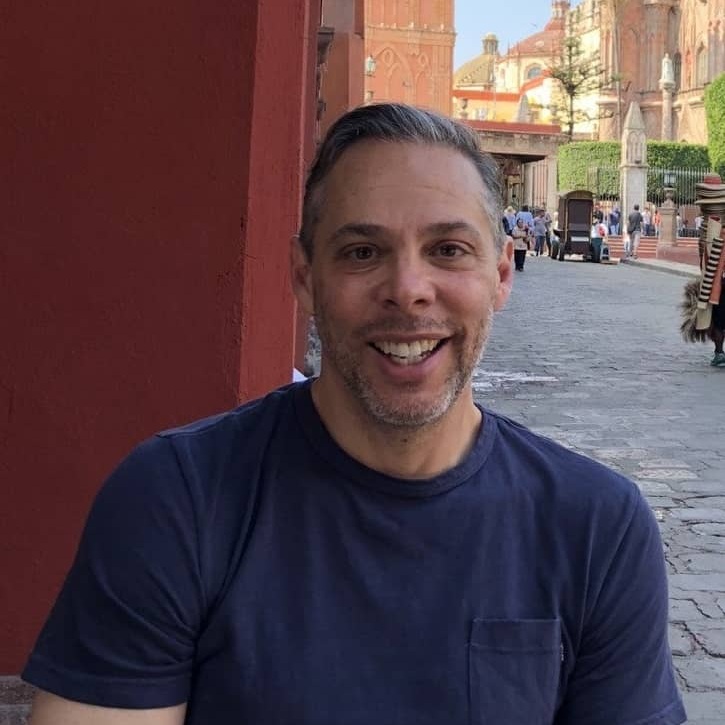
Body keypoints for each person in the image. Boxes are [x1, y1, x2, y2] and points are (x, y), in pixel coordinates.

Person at [23, 103, 686, 725]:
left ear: (502, 276)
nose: (408, 290)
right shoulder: (176, 501)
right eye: (362, 252)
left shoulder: (595, 527)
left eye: (448, 249)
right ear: (304, 278)